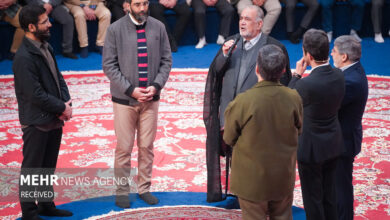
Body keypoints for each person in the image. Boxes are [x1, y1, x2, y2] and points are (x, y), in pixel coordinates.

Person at [203, 5, 291, 202]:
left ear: (259, 24)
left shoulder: (274, 47)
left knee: (256, 155)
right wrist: (224, 55)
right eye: (241, 18)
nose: (242, 22)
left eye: (248, 19)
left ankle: (259, 195)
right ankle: (239, 191)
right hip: (231, 112)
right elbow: (215, 74)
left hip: (259, 115)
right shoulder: (230, 43)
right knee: (235, 152)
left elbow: (284, 84)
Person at [102, 0, 172, 208]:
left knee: (146, 147)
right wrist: (130, 89)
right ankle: (122, 190)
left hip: (151, 99)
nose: (142, 8)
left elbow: (166, 60)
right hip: (124, 100)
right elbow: (109, 65)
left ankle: (144, 188)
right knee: (124, 148)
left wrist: (156, 85)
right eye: (137, 4)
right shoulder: (114, 29)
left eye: (145, 3)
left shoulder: (158, 27)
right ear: (127, 5)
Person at [223, 44, 303, 220]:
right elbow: (299, 129)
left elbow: (228, 138)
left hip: (251, 180)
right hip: (282, 176)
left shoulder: (243, 101)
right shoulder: (293, 97)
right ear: (283, 71)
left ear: (257, 69)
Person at [13, 4, 73, 220]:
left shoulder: (46, 47)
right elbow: (34, 94)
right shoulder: (23, 58)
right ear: (31, 27)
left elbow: (58, 77)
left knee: (47, 166)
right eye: (44, 21)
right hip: (36, 121)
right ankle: (29, 213)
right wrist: (61, 108)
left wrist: (66, 101)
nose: (50, 24)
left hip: (53, 117)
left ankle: (46, 205)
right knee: (32, 170)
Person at [288, 28, 345, 220]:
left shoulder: (306, 84)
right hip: (333, 143)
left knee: (313, 199)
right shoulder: (339, 75)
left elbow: (287, 101)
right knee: (329, 194)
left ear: (307, 55)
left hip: (311, 150)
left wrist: (296, 75)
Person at [331, 35, 368, 220]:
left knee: (341, 190)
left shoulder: (350, 81)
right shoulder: (351, 72)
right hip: (343, 138)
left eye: (334, 51)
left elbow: (327, 107)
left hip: (342, 143)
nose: (331, 53)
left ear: (344, 56)